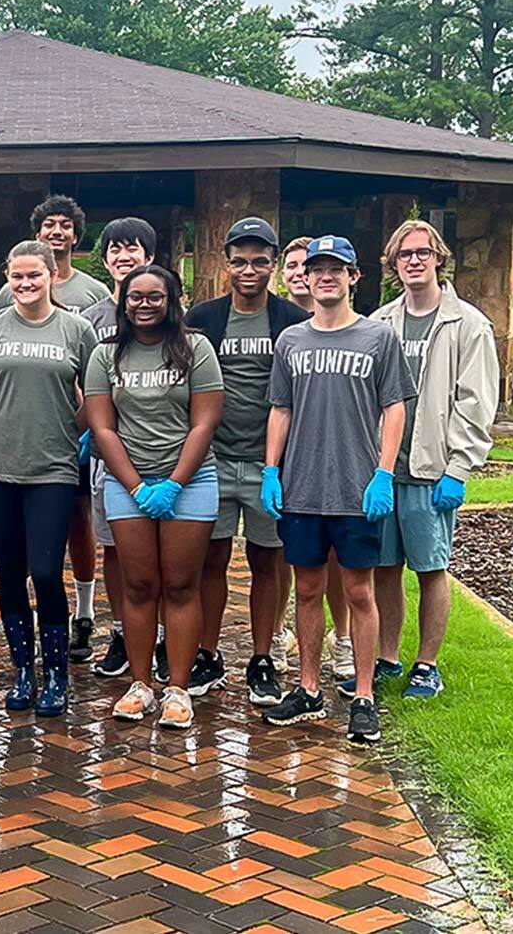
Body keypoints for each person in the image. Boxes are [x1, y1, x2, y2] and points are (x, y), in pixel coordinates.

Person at [260, 235, 412, 745]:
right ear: (305, 275)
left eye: (335, 268)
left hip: (355, 487)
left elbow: (394, 406)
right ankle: (307, 689)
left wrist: (384, 472)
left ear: (354, 277)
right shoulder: (291, 342)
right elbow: (280, 408)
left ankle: (364, 695)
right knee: (305, 588)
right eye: (316, 268)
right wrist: (270, 469)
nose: (324, 276)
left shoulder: (378, 338)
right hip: (301, 488)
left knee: (357, 590)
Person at [84, 265, 223, 730]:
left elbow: (204, 422)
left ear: (171, 301)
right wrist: (139, 486)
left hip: (190, 482)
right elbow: (102, 427)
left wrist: (175, 484)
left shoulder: (195, 348)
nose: (145, 305)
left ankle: (179, 689)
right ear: (123, 302)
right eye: (135, 297)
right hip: (129, 484)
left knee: (182, 584)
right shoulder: (106, 355)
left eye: (155, 297)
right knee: (140, 586)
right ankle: (141, 684)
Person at [0, 240, 97, 715]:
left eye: (34, 276)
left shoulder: (76, 329)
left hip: (53, 468)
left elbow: (97, 392)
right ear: (6, 276)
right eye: (16, 276)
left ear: (51, 276)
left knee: (45, 571)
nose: (24, 284)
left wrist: (72, 428)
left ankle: (57, 672)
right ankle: (23, 669)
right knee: (8, 573)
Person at [367, 220, 496, 700]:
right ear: (393, 264)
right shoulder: (380, 323)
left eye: (423, 252)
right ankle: (387, 657)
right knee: (384, 567)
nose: (414, 261)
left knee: (430, 568)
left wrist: (458, 468)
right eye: (405, 255)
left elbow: (476, 402)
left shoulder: (468, 324)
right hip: (384, 468)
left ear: (439, 258)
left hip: (432, 470)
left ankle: (427, 664)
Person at [186, 218, 309, 707]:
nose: (249, 270)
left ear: (273, 264)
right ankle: (208, 653)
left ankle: (262, 658)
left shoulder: (292, 323)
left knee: (267, 561)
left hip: (269, 465)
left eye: (260, 261)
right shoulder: (204, 319)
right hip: (212, 460)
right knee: (210, 561)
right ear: (226, 263)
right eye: (240, 261)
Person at [81, 218, 159, 677]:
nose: (123, 256)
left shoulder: (166, 310)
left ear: (148, 256)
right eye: (114, 249)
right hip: (107, 453)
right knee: (112, 545)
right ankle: (120, 632)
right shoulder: (91, 317)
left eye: (132, 248)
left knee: (164, 552)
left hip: (162, 451)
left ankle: (164, 635)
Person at [275, 234, 345, 677]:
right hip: (288, 460)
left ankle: (344, 637)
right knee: (288, 556)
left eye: (311, 266)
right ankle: (285, 633)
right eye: (296, 266)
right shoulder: (281, 326)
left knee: (340, 560)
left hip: (340, 462)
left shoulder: (356, 328)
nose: (303, 273)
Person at [0, 195, 111, 313]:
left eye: (65, 226)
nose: (57, 232)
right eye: (49, 225)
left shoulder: (97, 291)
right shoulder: (10, 291)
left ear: (75, 237)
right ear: (38, 236)